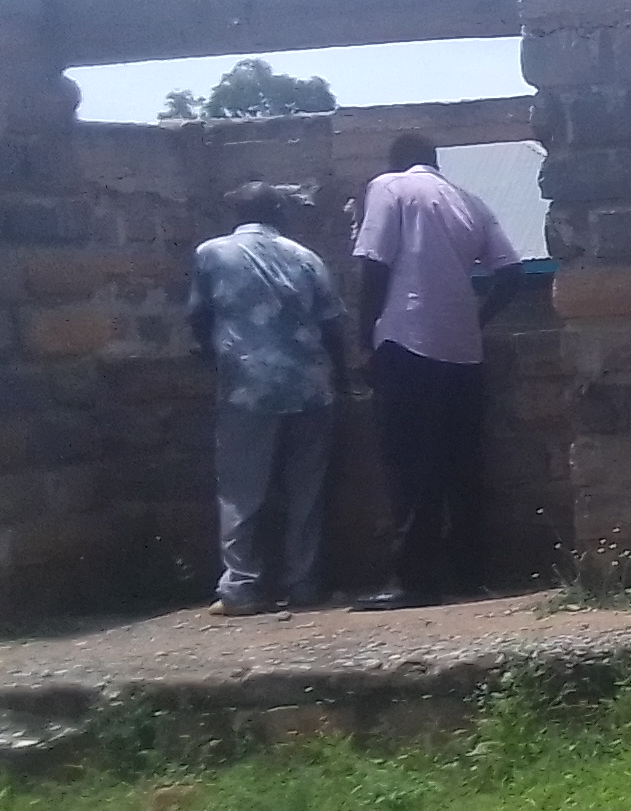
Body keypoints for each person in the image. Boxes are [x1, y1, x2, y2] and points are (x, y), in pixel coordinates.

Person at [349, 133, 528, 608]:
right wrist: (476, 318)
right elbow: (510, 273)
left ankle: (414, 580)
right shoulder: (469, 201)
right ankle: (469, 573)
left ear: (396, 159)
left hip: (407, 341)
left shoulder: (388, 187)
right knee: (460, 465)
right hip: (462, 351)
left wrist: (364, 338)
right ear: (435, 162)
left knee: (408, 463)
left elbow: (373, 264)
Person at [186, 182, 352, 617]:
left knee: (242, 492)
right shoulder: (306, 257)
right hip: (310, 387)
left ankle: (241, 588)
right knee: (306, 492)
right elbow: (332, 325)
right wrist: (344, 379)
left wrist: (216, 362)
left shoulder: (212, 254)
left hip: (246, 386)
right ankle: (304, 583)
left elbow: (198, 317)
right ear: (280, 213)